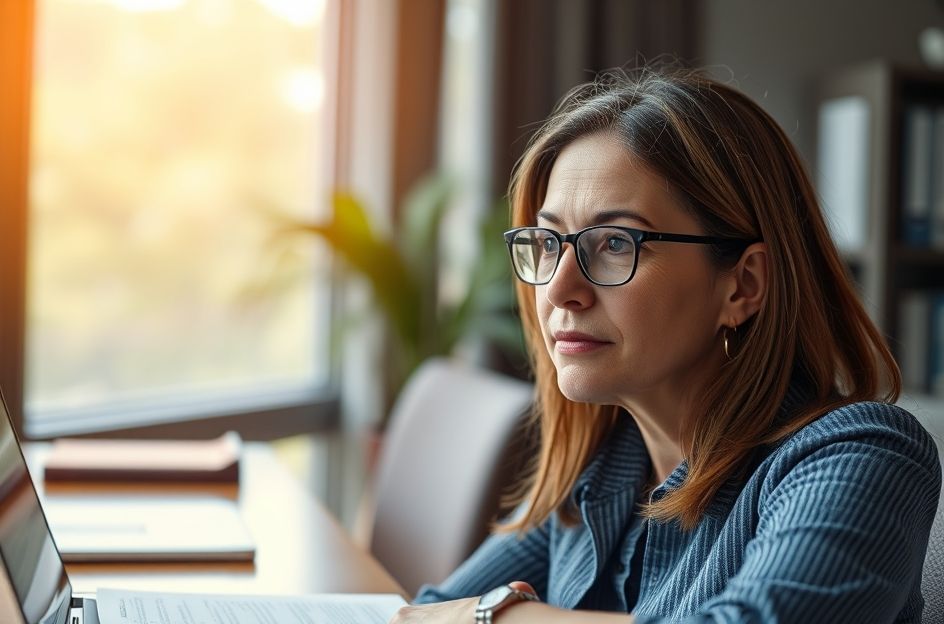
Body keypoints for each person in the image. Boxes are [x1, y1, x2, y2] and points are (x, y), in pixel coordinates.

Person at [391, 66, 942, 623]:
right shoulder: (606, 470)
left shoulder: (865, 455)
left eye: (615, 243)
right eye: (549, 241)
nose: (559, 288)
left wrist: (500, 618)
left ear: (743, 284)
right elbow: (430, 613)